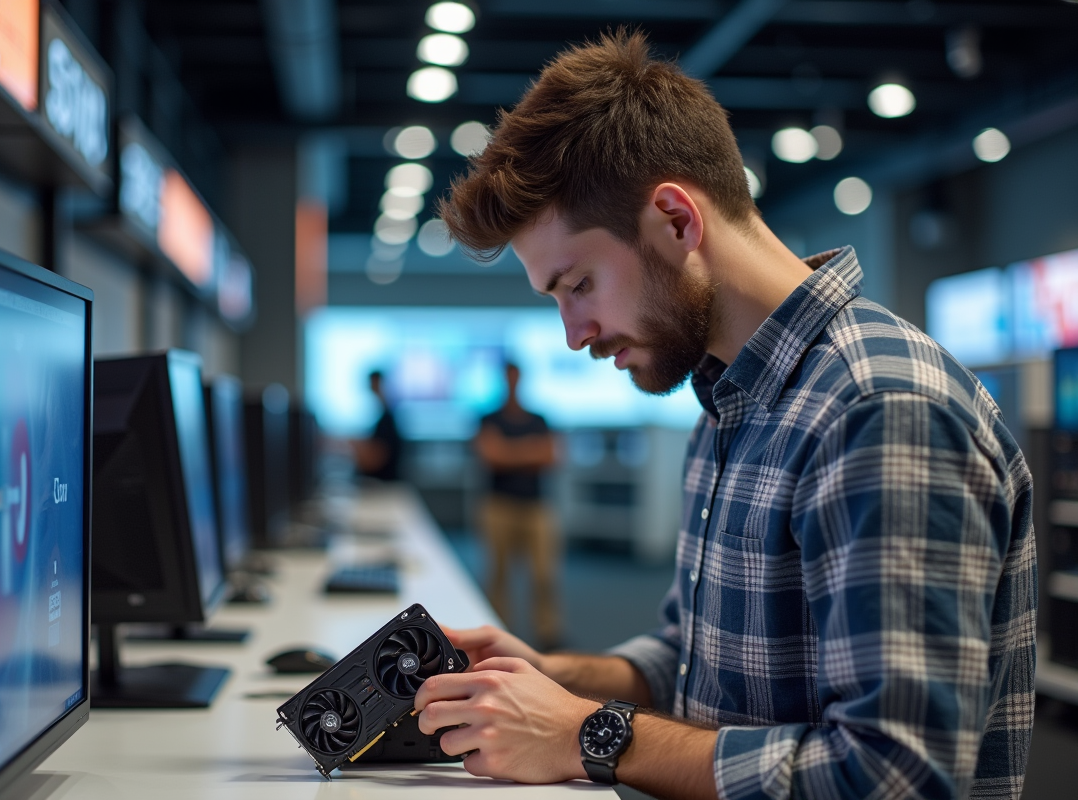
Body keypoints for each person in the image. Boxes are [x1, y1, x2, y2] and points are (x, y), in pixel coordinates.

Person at [413, 30, 1036, 800]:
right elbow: (696, 659)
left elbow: (893, 775)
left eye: (578, 285)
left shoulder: (878, 410)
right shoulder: (726, 401)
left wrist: (583, 733)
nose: (573, 335)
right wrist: (548, 677)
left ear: (677, 221)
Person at [473, 362, 560, 648]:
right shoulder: (488, 418)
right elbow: (491, 456)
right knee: (497, 575)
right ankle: (497, 635)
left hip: (536, 507)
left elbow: (550, 456)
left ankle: (548, 634)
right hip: (498, 506)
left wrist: (509, 451)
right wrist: (530, 450)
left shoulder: (539, 419)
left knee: (544, 575)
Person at [351, 370, 402, 481]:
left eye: (373, 384)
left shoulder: (387, 419)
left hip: (383, 484)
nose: (372, 388)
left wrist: (356, 447)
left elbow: (375, 459)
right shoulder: (383, 417)